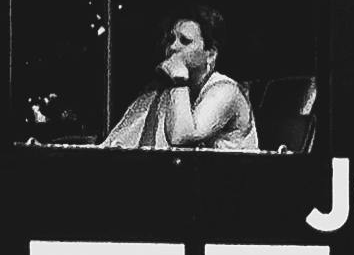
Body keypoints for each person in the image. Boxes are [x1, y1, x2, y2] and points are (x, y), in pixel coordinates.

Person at [103, 10, 259, 151]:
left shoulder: (226, 90)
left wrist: (179, 81)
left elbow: (181, 138)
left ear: (210, 54)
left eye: (185, 41)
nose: (173, 47)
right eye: (171, 39)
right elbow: (117, 143)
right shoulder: (163, 90)